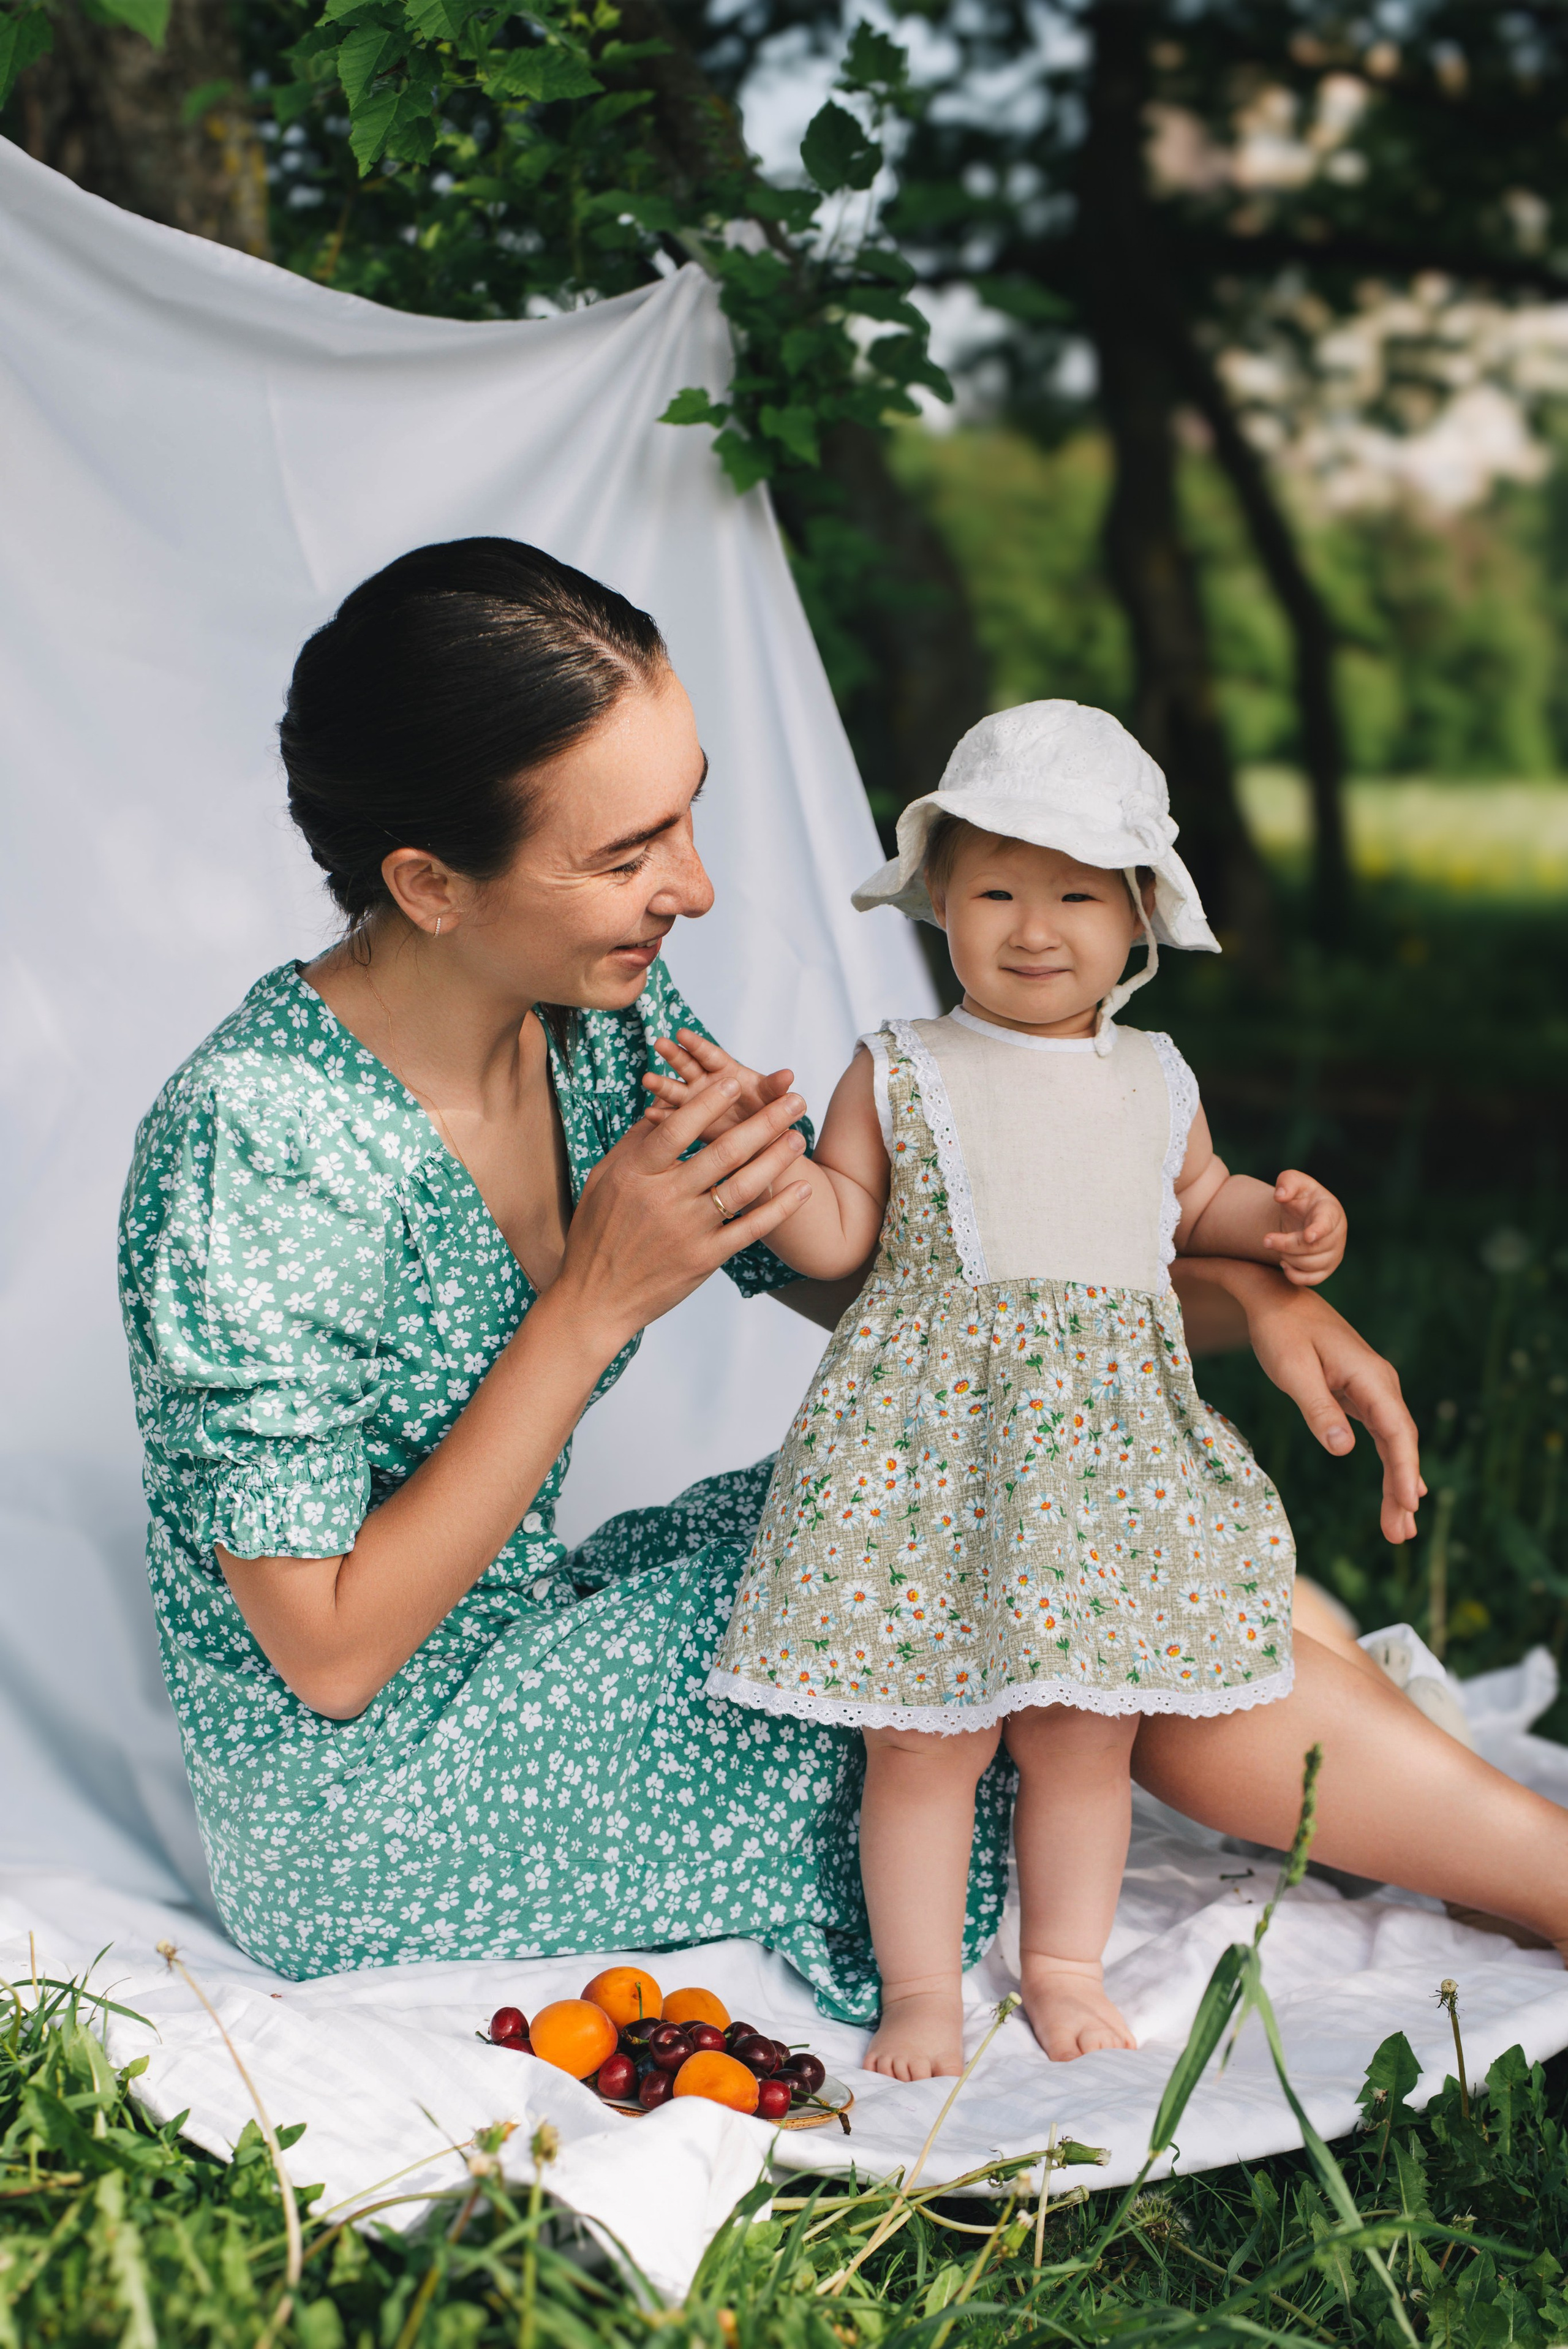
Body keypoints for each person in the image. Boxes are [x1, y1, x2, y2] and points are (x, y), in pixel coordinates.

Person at [118, 538, 1568, 2027]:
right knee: (1062, 1599)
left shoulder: (577, 1013)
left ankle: (1453, 1827)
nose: (691, 884)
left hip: (529, 1629)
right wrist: (590, 1305)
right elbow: (335, 1650)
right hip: (376, 1801)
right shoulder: (260, 1144)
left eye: (685, 814)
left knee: (1080, 1520)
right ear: (429, 882)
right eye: (625, 856)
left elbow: (929, 1290)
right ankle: (1537, 1871)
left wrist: (1243, 1295)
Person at [703, 701, 1354, 2076]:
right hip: (933, 1459)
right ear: (939, 900)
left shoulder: (1152, 1078)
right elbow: (839, 1233)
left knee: (1082, 1729)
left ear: (1135, 920)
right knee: (921, 1740)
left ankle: (1060, 1962)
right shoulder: (900, 1066)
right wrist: (771, 1176)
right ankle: (921, 1989)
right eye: (994, 888)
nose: (1032, 925)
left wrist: (1279, 1225)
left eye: (1073, 894)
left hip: (1101, 1466)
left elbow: (1199, 1204)